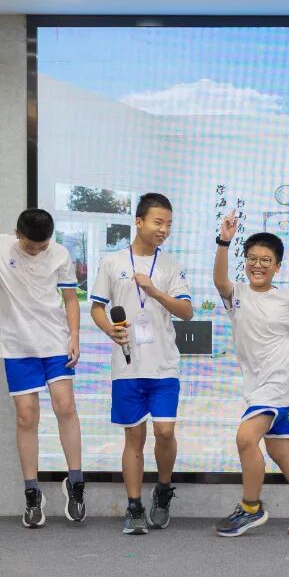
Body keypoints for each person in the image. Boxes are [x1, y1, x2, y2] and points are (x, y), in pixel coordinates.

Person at [0, 199, 85, 527]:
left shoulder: (60, 254)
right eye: (30, 245)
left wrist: (75, 336)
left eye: (43, 246)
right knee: (26, 416)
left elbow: (70, 299)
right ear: (17, 234)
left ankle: (76, 483)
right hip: (18, 348)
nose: (37, 251)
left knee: (65, 406)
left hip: (55, 343)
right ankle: (32, 493)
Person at [212, 211, 289, 537]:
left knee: (245, 438)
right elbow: (220, 281)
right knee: (280, 451)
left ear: (277, 266)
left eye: (266, 260)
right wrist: (224, 242)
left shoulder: (286, 301)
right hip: (257, 387)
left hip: (278, 385)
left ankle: (250, 508)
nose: (258, 265)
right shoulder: (237, 294)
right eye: (252, 259)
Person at [89, 193, 193, 535]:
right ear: (139, 222)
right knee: (133, 436)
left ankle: (162, 490)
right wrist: (110, 330)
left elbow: (186, 311)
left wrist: (155, 291)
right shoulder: (112, 261)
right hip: (127, 366)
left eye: (169, 224)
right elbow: (97, 308)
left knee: (165, 432)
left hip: (163, 365)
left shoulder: (171, 265)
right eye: (158, 222)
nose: (164, 229)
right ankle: (133, 507)